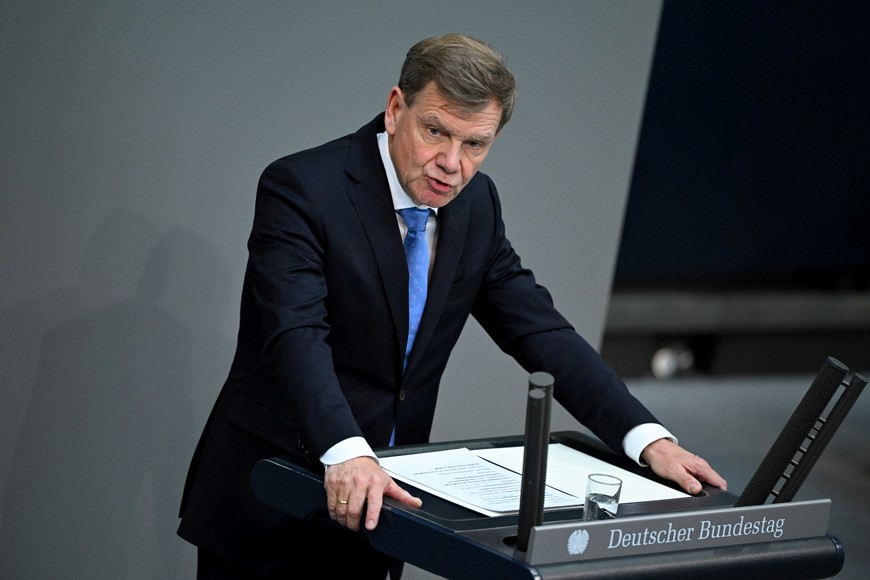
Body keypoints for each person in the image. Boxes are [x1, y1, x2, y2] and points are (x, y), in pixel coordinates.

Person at [177, 33, 727, 579]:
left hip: (383, 510)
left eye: (475, 145)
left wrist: (646, 438)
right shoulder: (300, 187)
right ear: (396, 109)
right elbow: (296, 336)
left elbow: (541, 331)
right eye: (435, 131)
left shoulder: (476, 207)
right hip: (273, 502)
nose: (451, 164)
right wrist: (346, 451)